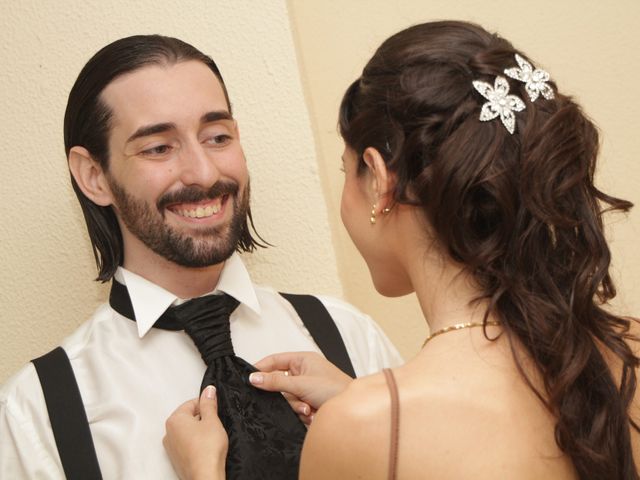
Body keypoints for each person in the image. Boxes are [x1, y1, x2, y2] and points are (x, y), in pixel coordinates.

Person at [164, 20, 640, 480]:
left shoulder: (364, 428)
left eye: (344, 168)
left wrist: (207, 473)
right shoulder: (627, 349)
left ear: (379, 181)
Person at [0, 35, 402, 479]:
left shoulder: (348, 337)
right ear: (94, 176)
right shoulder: (35, 414)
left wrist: (370, 430)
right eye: (159, 147)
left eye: (217, 137)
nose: (205, 173)